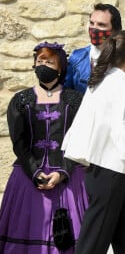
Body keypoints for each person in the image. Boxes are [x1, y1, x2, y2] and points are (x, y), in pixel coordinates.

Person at [61, 30, 125, 254]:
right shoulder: (124, 85)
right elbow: (123, 137)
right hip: (110, 172)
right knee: (94, 241)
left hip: (101, 170)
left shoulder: (102, 80)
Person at [0, 42, 88, 253]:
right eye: (40, 61)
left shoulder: (75, 100)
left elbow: (81, 138)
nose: (44, 65)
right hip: (28, 177)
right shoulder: (21, 100)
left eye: (50, 62)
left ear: (60, 68)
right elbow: (19, 143)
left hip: (68, 177)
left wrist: (63, 172)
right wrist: (36, 171)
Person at [64, 3, 122, 93]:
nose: (94, 29)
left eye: (101, 25)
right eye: (91, 23)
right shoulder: (77, 58)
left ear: (114, 30)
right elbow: (65, 92)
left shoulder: (123, 59)